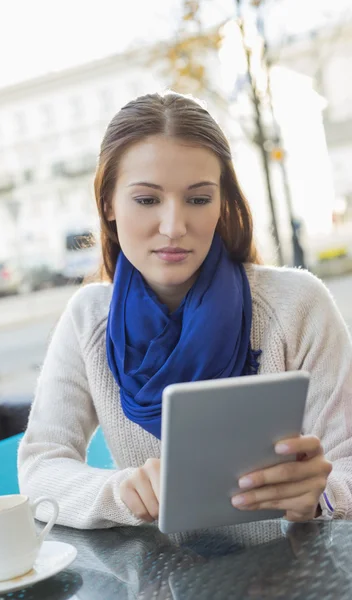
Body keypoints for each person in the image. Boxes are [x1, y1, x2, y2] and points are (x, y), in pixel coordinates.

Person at [18, 92, 352, 530]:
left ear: (221, 204)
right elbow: (40, 468)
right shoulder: (88, 319)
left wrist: (321, 496)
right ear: (107, 205)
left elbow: (346, 466)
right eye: (146, 199)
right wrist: (120, 492)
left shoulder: (298, 304)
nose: (174, 227)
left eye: (198, 199)